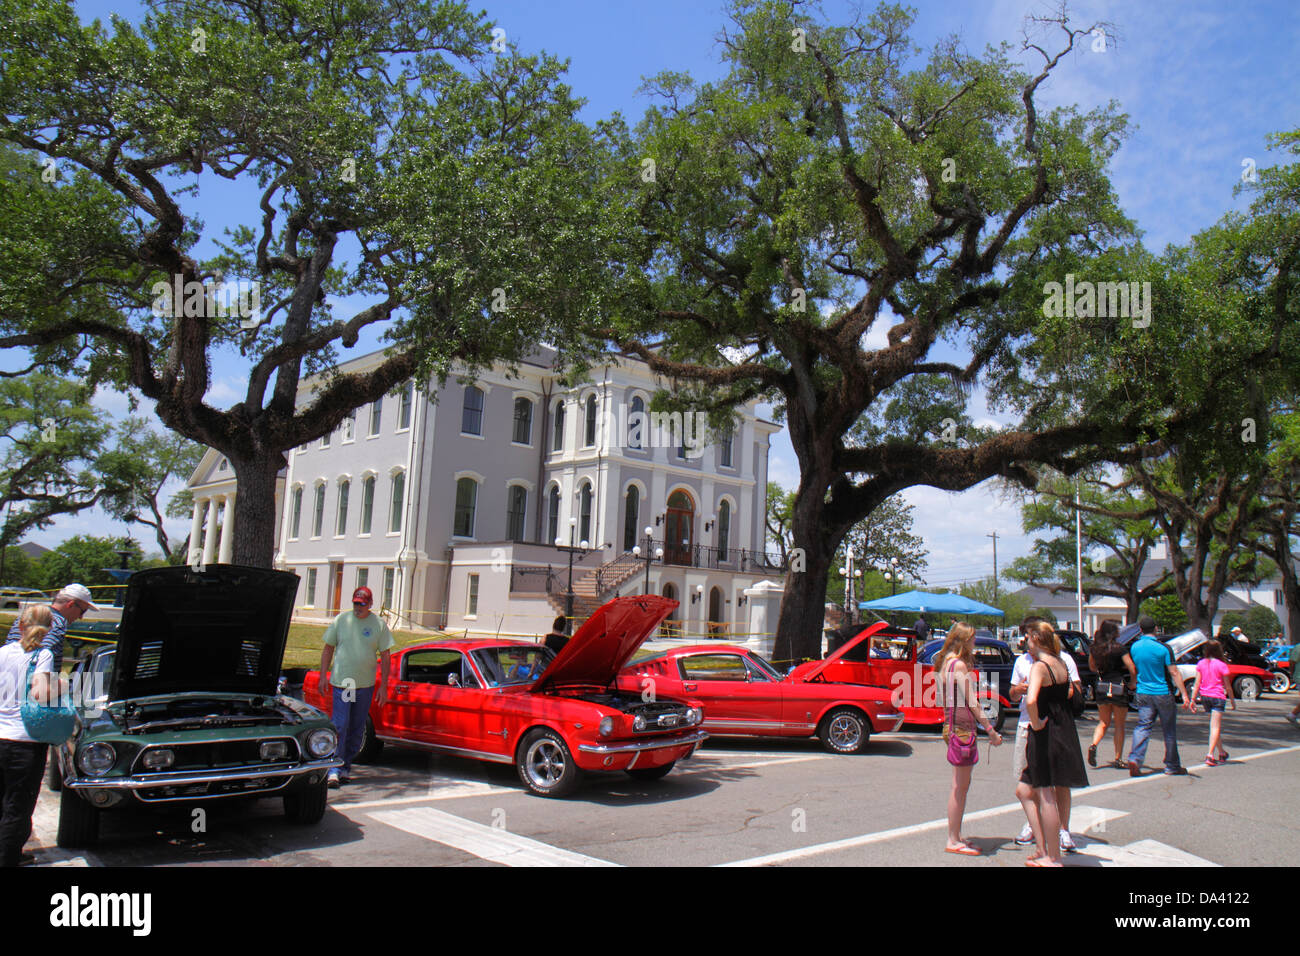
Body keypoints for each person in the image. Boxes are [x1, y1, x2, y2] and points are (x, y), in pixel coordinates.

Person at [0, 605, 65, 866]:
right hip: (25, 742)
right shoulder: (43, 656)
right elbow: (40, 694)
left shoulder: (3, 652)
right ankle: (9, 859)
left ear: (20, 625)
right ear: (48, 628)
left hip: (0, 736)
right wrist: (61, 685)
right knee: (17, 807)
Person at [1020, 622, 1089, 866]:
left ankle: (1052, 856)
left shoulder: (1040, 666)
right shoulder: (1060, 662)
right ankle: (1042, 848)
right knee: (1024, 790)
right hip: (1063, 729)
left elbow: (1031, 701)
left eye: (1029, 637)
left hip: (1046, 732)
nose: (1026, 641)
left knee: (1046, 794)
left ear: (1037, 639)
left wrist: (1036, 723)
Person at [932, 622, 1003, 855]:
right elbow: (972, 702)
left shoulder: (946, 663)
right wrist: (990, 729)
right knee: (960, 787)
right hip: (962, 727)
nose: (975, 643)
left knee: (960, 785)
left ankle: (956, 835)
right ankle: (953, 839)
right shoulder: (959, 665)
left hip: (951, 724)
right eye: (972, 639)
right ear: (963, 641)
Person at [317, 586, 394, 787]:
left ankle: (345, 767)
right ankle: (333, 768)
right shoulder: (342, 621)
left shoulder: (378, 624)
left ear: (370, 605)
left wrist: (383, 686)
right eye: (355, 603)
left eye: (362, 604)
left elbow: (386, 656)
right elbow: (328, 648)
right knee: (340, 724)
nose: (357, 607)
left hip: (364, 684)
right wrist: (323, 676)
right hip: (344, 682)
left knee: (357, 728)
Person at [1127, 615, 1192, 776]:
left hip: (1143, 691)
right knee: (1168, 730)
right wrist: (1184, 694)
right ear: (1155, 629)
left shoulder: (1134, 647)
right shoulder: (1163, 648)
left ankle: (1135, 758)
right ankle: (1172, 765)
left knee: (1143, 725)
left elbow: (1136, 668)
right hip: (1162, 691)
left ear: (1140, 630)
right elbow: (1174, 672)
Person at [4, 583, 98, 673]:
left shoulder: (26, 616)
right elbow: (44, 662)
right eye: (82, 611)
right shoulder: (58, 623)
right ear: (71, 604)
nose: (81, 617)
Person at [1087, 620, 1137, 769]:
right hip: (1118, 686)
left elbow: (1091, 667)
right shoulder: (1119, 648)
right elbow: (1131, 667)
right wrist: (1133, 682)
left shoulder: (1095, 649)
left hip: (1102, 687)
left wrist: (1101, 671)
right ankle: (1118, 758)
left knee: (1103, 722)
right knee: (1119, 725)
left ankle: (1093, 744)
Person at [1189, 640, 1234, 765]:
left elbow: (1197, 683)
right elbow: (1228, 686)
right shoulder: (1221, 665)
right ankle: (1209, 755)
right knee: (1215, 727)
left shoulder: (1201, 663)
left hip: (1205, 696)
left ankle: (1222, 752)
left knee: (1214, 725)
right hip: (1218, 697)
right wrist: (1232, 701)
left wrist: (1193, 699)